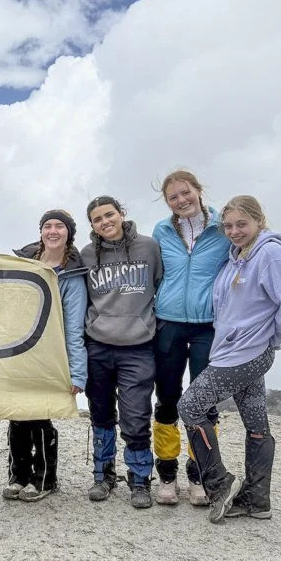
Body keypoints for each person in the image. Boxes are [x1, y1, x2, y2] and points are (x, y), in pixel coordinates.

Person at [178, 196, 281, 523]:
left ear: (259, 221)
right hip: (237, 351)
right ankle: (257, 500)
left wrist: (274, 332)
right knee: (256, 424)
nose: (234, 231)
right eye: (228, 226)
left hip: (246, 354)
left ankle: (220, 484)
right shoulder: (237, 256)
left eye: (242, 224)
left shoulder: (269, 253)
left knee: (190, 407)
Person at [151, 169, 230, 506]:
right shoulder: (161, 230)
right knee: (167, 399)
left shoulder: (223, 229)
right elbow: (155, 273)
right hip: (168, 324)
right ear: (167, 202)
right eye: (174, 197)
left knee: (204, 403)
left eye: (186, 192)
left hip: (207, 326)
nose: (181, 200)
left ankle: (199, 475)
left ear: (199, 190)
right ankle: (167, 475)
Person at [80, 197, 163, 509]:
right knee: (101, 413)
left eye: (109, 214)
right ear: (92, 225)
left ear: (121, 214)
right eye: (97, 219)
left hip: (138, 347)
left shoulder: (149, 248)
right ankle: (103, 475)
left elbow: (160, 285)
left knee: (136, 415)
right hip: (98, 345)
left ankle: (140, 479)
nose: (105, 222)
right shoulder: (87, 255)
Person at [6, 210, 87, 502]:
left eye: (59, 226)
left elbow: (74, 327)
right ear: (41, 231)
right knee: (17, 413)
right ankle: (18, 475)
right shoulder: (24, 263)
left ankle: (44, 478)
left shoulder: (73, 276)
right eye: (47, 226)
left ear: (69, 233)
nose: (53, 231)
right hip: (20, 351)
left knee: (39, 414)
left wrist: (77, 373)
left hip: (50, 355)